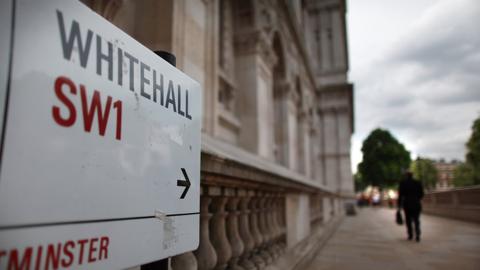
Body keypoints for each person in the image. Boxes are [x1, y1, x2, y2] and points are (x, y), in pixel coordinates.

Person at [397, 171, 424, 242]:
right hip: (416, 203)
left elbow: (400, 195)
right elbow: (421, 194)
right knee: (416, 219)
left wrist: (399, 206)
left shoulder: (403, 183)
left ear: (406, 176)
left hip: (407, 203)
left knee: (408, 220)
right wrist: (416, 198)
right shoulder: (418, 182)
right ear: (412, 175)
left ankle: (410, 235)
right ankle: (418, 234)